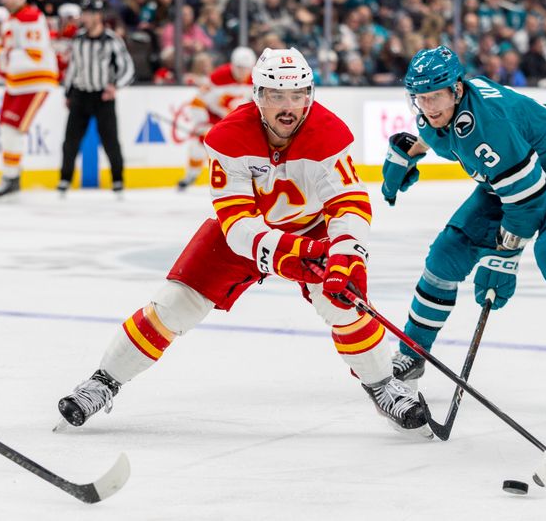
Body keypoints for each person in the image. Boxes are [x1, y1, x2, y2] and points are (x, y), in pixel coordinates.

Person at [56, 48, 431, 437]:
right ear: (258, 95)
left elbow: (349, 205)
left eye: (298, 95)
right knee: (173, 305)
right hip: (248, 233)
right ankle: (103, 381)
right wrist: (294, 254)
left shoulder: (329, 133)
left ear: (310, 95)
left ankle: (383, 385)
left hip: (315, 230)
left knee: (349, 305)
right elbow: (237, 227)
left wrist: (345, 256)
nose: (289, 107)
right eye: (277, 95)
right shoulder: (227, 137)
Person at [381, 46, 546, 417]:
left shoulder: (487, 126)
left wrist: (504, 258)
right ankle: (413, 353)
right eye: (420, 97)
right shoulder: (438, 113)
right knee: (446, 254)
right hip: (516, 177)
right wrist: (409, 150)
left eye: (435, 96)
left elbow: (527, 201)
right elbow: (441, 136)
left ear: (457, 90)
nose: (428, 106)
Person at [57, 0, 135, 196]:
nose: (83, 17)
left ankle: (117, 180)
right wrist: (68, 92)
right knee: (70, 141)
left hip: (102, 98)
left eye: (88, 13)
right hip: (80, 95)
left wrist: (114, 86)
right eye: (83, 13)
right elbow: (73, 69)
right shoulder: (79, 39)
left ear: (98, 16)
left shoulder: (111, 40)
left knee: (110, 141)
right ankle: (65, 179)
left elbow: (127, 68)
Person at [0, 0, 58, 199]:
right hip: (16, 83)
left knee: (13, 129)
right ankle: (12, 175)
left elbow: (34, 54)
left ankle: (10, 177)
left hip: (34, 82)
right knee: (7, 128)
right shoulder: (13, 18)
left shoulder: (30, 16)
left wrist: (7, 57)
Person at [177, 46, 255, 191]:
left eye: (246, 68)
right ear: (232, 64)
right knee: (198, 147)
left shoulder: (255, 79)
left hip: (236, 119)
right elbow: (197, 102)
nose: (242, 72)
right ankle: (191, 175)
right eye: (238, 67)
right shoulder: (218, 78)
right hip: (214, 117)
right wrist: (202, 124)